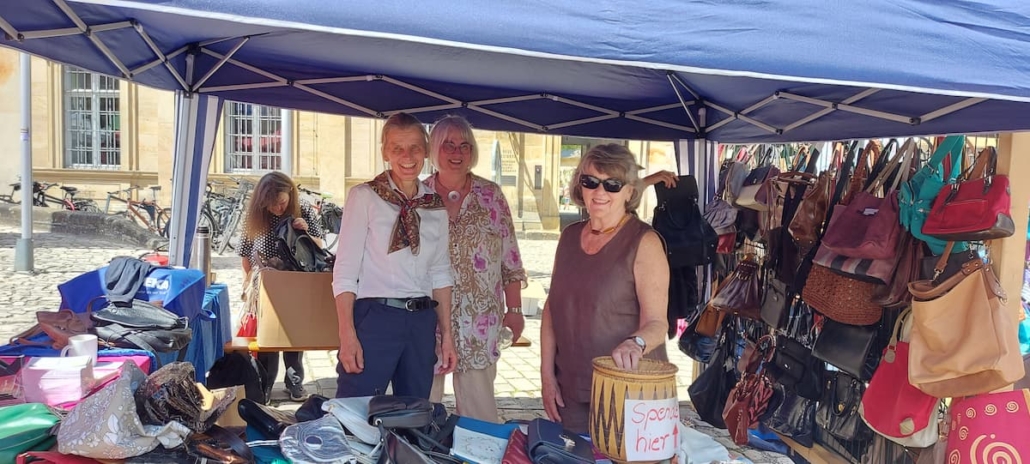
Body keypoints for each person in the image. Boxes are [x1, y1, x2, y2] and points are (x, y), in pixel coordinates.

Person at [540, 143, 671, 434]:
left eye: (612, 184)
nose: (600, 193)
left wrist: (635, 343)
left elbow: (657, 323)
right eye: (590, 182)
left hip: (629, 395)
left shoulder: (644, 242)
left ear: (629, 191)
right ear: (580, 186)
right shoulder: (569, 237)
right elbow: (552, 308)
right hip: (571, 393)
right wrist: (547, 375)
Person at [332, 112, 458, 399]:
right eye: (397, 148)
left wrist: (446, 335)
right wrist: (347, 334)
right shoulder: (365, 197)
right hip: (376, 317)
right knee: (356, 411)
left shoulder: (434, 207)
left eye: (415, 147)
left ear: (425, 151)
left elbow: (440, 272)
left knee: (413, 415)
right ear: (385, 152)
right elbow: (345, 272)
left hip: (421, 322)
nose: (407, 156)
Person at [424, 115, 527, 422]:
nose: (457, 152)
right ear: (434, 149)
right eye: (448, 145)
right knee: (421, 406)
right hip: (426, 318)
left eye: (464, 145)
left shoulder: (491, 196)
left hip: (479, 320)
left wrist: (516, 310)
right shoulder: (418, 195)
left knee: (479, 410)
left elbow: (510, 257)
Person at [238, 171, 324, 402]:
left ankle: (294, 381)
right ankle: (265, 383)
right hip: (265, 282)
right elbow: (245, 253)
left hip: (295, 281)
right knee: (267, 338)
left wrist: (303, 231)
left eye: (282, 203)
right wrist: (249, 286)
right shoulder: (255, 214)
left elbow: (319, 245)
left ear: (291, 195)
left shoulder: (302, 208)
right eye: (271, 205)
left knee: (293, 334)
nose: (277, 208)